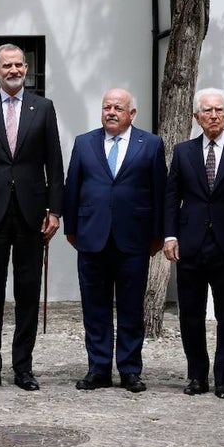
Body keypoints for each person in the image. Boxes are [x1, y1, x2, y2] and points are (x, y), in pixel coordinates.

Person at [0, 43, 64, 391]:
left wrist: (55, 210)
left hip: (32, 215)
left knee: (27, 293)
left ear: (26, 68)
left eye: (19, 64)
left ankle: (23, 368)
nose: (14, 70)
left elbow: (55, 163)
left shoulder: (43, 108)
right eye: (7, 65)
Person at [163, 88, 224, 399]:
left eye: (219, 110)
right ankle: (197, 376)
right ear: (197, 117)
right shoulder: (183, 151)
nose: (214, 116)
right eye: (207, 111)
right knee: (190, 314)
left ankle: (223, 378)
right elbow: (171, 197)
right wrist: (170, 236)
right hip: (190, 245)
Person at [63, 88, 165, 393]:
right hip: (92, 237)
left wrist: (158, 235)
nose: (111, 112)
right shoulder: (84, 143)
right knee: (95, 308)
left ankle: (130, 369)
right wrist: (72, 229)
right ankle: (98, 368)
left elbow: (159, 192)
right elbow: (72, 188)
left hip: (134, 239)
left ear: (131, 114)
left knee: (131, 308)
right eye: (107, 107)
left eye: (118, 108)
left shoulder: (151, 144)